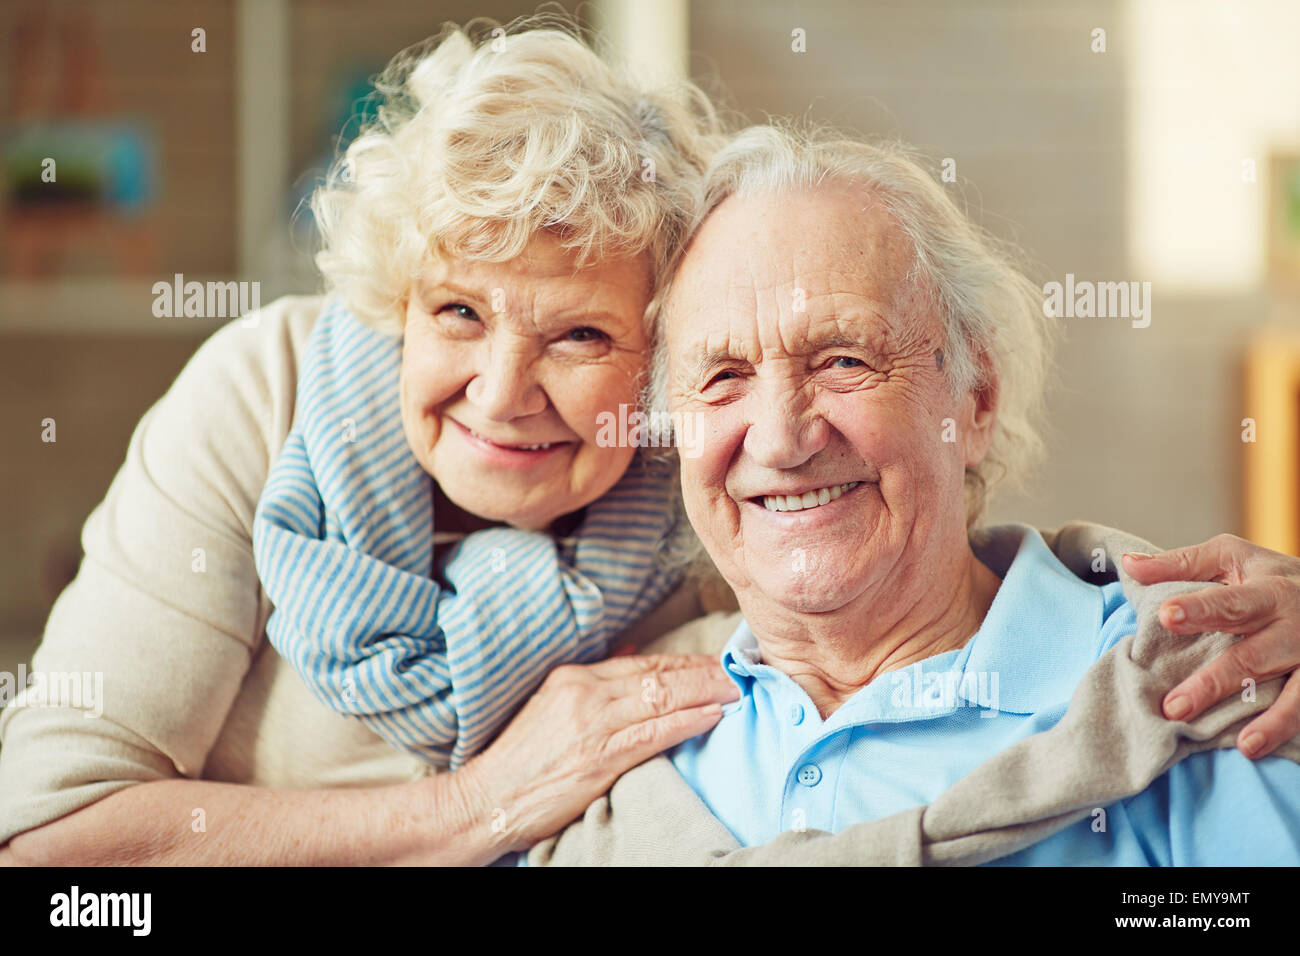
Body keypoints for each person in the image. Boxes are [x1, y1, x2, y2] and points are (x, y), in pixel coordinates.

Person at [2, 24, 1298, 867]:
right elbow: (50, 860)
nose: (504, 391)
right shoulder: (269, 395)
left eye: (577, 336)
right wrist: (478, 807)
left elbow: (937, 559)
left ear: (656, 363)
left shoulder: (699, 501)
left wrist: (1233, 623)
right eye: (455, 312)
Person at [647, 125, 1300, 862]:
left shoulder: (1207, 687)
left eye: (842, 359)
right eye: (722, 378)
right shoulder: (622, 738)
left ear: (977, 399)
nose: (778, 440)